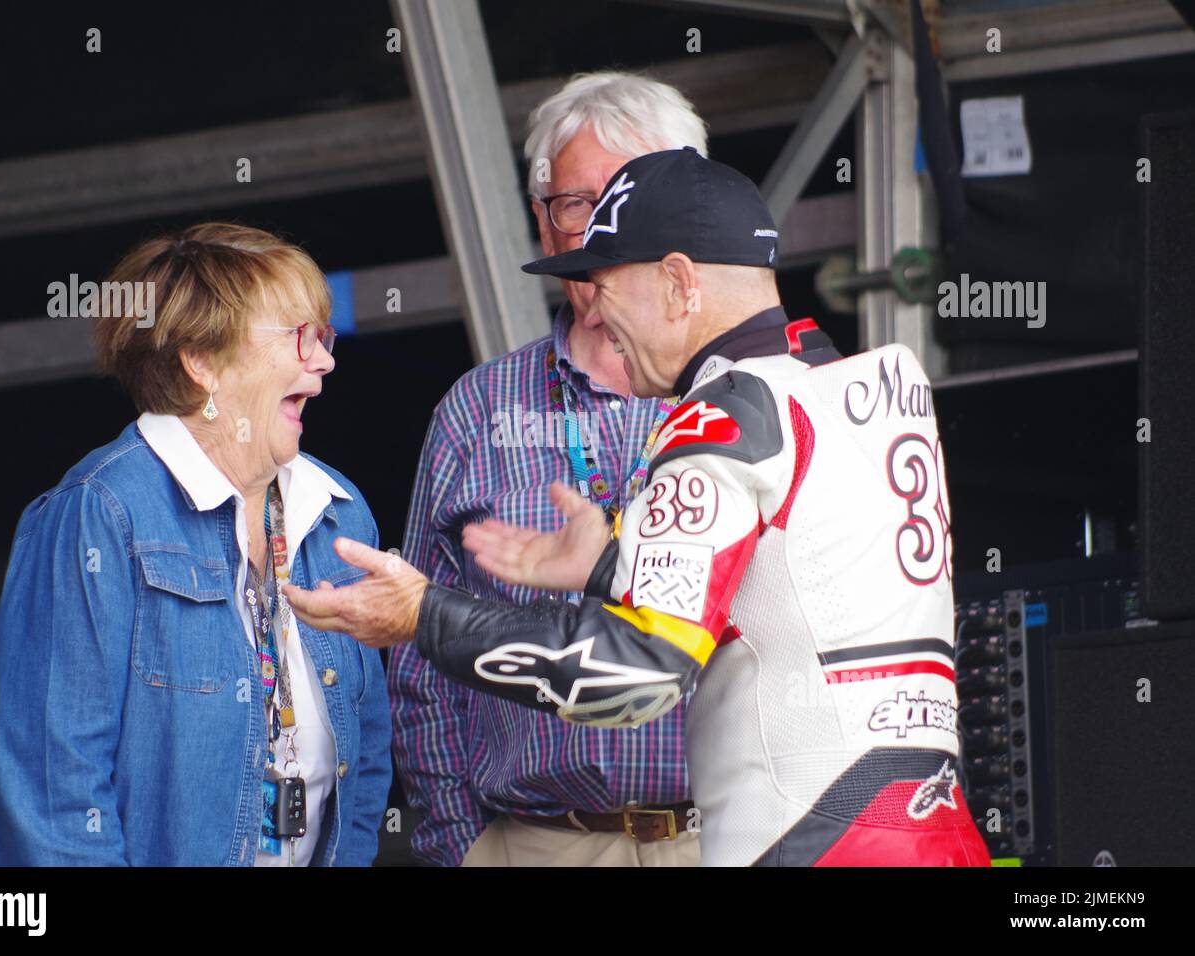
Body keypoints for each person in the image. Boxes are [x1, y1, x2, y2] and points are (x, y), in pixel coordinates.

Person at [284, 149, 992, 867]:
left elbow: (636, 679)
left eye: (603, 281)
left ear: (679, 282)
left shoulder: (720, 418)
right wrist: (612, 566)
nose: (592, 309)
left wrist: (424, 616)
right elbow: (803, 584)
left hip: (809, 846)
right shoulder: (877, 392)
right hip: (937, 833)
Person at [0, 223, 390, 866]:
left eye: (325, 335)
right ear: (200, 361)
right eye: (298, 336)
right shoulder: (98, 514)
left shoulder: (340, 516)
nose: (325, 360)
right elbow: (58, 801)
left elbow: (363, 768)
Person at [386, 71, 708, 866]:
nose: (601, 229)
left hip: (726, 839)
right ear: (542, 221)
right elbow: (418, 660)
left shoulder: (752, 398)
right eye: (576, 203)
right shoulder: (476, 409)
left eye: (630, 199)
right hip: (535, 845)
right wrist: (462, 847)